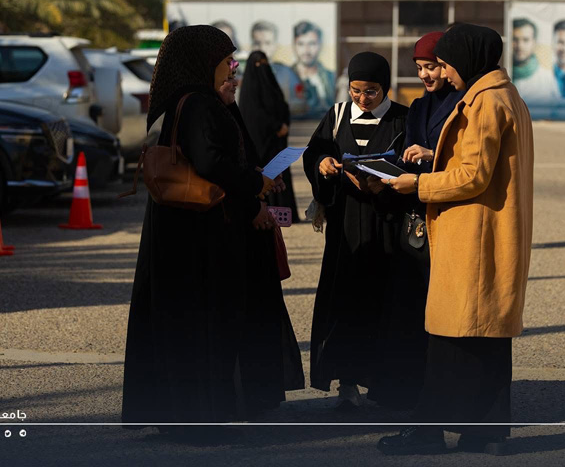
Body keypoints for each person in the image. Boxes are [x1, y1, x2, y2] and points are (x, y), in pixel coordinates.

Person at [377, 23, 534, 456]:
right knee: (487, 339)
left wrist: (418, 184)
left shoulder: (484, 102)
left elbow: (472, 175)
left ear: (466, 59)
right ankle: (486, 433)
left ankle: (428, 432)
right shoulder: (506, 95)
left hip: (474, 233)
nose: (443, 73)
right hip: (491, 231)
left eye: (445, 64)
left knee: (451, 337)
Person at [122, 25, 278, 438]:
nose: (233, 67)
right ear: (202, 61)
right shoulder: (198, 105)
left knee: (183, 324)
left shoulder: (184, 101)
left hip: (181, 231)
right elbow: (210, 162)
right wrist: (254, 184)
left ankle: (185, 416)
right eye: (226, 60)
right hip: (199, 234)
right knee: (202, 324)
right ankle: (198, 421)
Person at [302, 51, 408, 409]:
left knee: (385, 302)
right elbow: (314, 153)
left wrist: (385, 185)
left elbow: (413, 168)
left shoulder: (402, 119)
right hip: (345, 225)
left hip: (386, 226)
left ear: (385, 87)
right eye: (356, 90)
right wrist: (323, 163)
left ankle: (386, 386)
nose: (363, 98)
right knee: (345, 301)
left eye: (371, 91)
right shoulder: (336, 115)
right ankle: (346, 384)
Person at [370, 31, 465, 410]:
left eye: (432, 67)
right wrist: (381, 171)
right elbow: (405, 151)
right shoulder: (420, 106)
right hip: (414, 219)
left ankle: (440, 395)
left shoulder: (464, 103)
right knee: (407, 305)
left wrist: (430, 154)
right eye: (420, 68)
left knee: (439, 308)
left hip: (445, 215)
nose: (425, 75)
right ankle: (405, 392)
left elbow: (464, 160)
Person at [221, 60, 306, 414]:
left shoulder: (230, 109)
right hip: (233, 227)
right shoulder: (203, 111)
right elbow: (218, 169)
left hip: (253, 212)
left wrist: (260, 175)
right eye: (227, 76)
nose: (235, 81)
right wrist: (252, 200)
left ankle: (259, 392)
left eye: (235, 74)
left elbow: (240, 162)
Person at [238, 50, 301, 223]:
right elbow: (255, 115)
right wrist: (275, 126)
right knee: (265, 174)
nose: (262, 68)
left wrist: (284, 124)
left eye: (265, 63)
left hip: (276, 142)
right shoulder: (249, 90)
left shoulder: (272, 85)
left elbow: (282, 105)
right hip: (261, 143)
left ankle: (285, 213)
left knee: (280, 174)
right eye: (259, 64)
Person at [250, 21, 307, 117]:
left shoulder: (287, 73)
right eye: (257, 43)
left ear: (275, 45)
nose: (262, 48)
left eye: (267, 43)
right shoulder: (243, 74)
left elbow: (299, 103)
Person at [288, 21, 335, 118]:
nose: (306, 50)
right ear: (294, 45)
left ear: (320, 45)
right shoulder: (285, 77)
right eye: (301, 44)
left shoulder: (331, 77)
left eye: (312, 44)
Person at [511, 18, 556, 106]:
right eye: (515, 39)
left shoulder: (547, 80)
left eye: (526, 40)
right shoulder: (499, 75)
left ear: (534, 43)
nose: (520, 46)